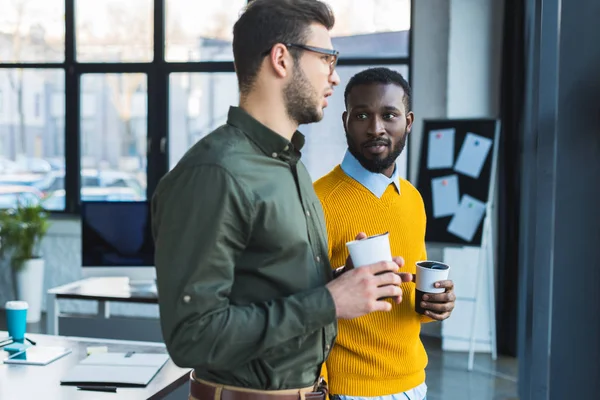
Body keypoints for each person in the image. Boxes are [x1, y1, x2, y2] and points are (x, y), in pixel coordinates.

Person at [151, 2, 411, 399]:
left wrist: (344, 284)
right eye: (326, 58)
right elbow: (192, 337)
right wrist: (327, 301)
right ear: (281, 58)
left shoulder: (289, 166)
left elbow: (267, 287)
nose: (335, 77)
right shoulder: (214, 173)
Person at [314, 67, 456, 400]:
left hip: (414, 384)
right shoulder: (317, 200)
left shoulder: (413, 198)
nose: (376, 128)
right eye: (362, 115)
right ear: (346, 121)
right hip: (349, 390)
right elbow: (303, 304)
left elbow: (409, 294)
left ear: (407, 122)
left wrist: (437, 304)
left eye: (389, 115)